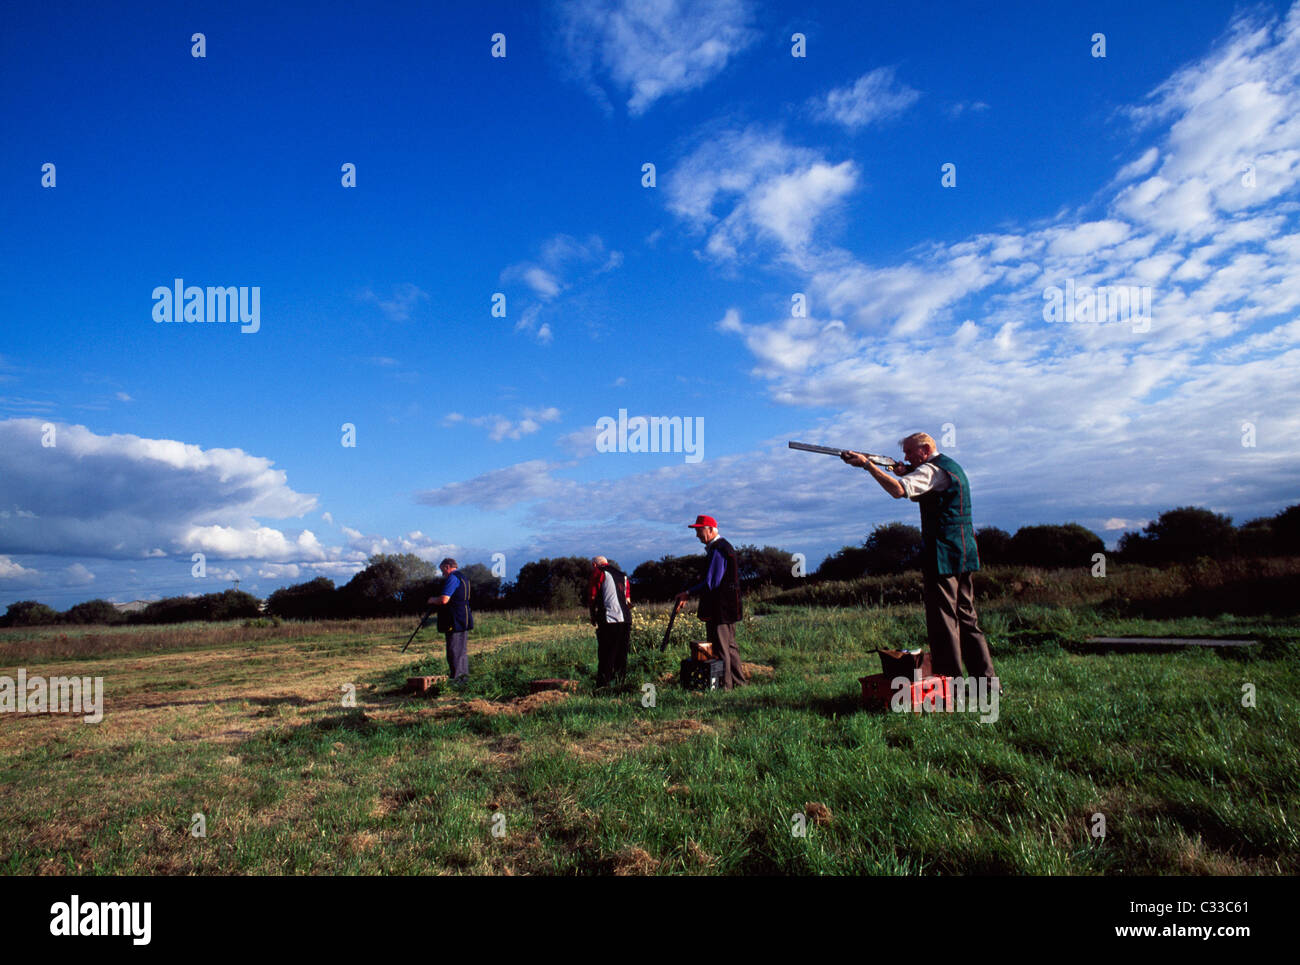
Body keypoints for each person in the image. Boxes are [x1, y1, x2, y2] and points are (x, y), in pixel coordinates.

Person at [840, 433, 998, 690]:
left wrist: (867, 466)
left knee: (943, 621)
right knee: (967, 617)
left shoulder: (931, 470)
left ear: (925, 450)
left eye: (910, 453)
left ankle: (950, 686)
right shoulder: (948, 467)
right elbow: (909, 478)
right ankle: (988, 684)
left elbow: (899, 489)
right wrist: (890, 466)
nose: (906, 458)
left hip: (943, 552)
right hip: (963, 550)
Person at [675, 515, 746, 691]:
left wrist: (688, 593)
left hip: (720, 608)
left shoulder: (717, 549)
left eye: (699, 530)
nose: (697, 535)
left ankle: (725, 687)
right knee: (730, 647)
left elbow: (711, 582)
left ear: (710, 529)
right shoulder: (723, 547)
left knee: (720, 648)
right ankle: (740, 683)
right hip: (728, 607)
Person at [588, 556, 632, 687]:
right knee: (621, 655)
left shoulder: (599, 572)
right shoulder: (622, 575)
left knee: (606, 654)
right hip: (626, 620)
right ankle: (620, 685)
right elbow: (628, 600)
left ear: (595, 565)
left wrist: (593, 615)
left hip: (609, 619)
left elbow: (592, 596)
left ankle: (603, 687)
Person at [427, 558, 473, 683]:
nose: (443, 574)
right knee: (461, 650)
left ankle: (457, 681)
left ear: (447, 567)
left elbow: (444, 600)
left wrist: (432, 600)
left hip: (455, 620)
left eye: (443, 570)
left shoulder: (452, 578)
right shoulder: (463, 577)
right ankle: (463, 679)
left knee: (454, 650)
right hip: (463, 618)